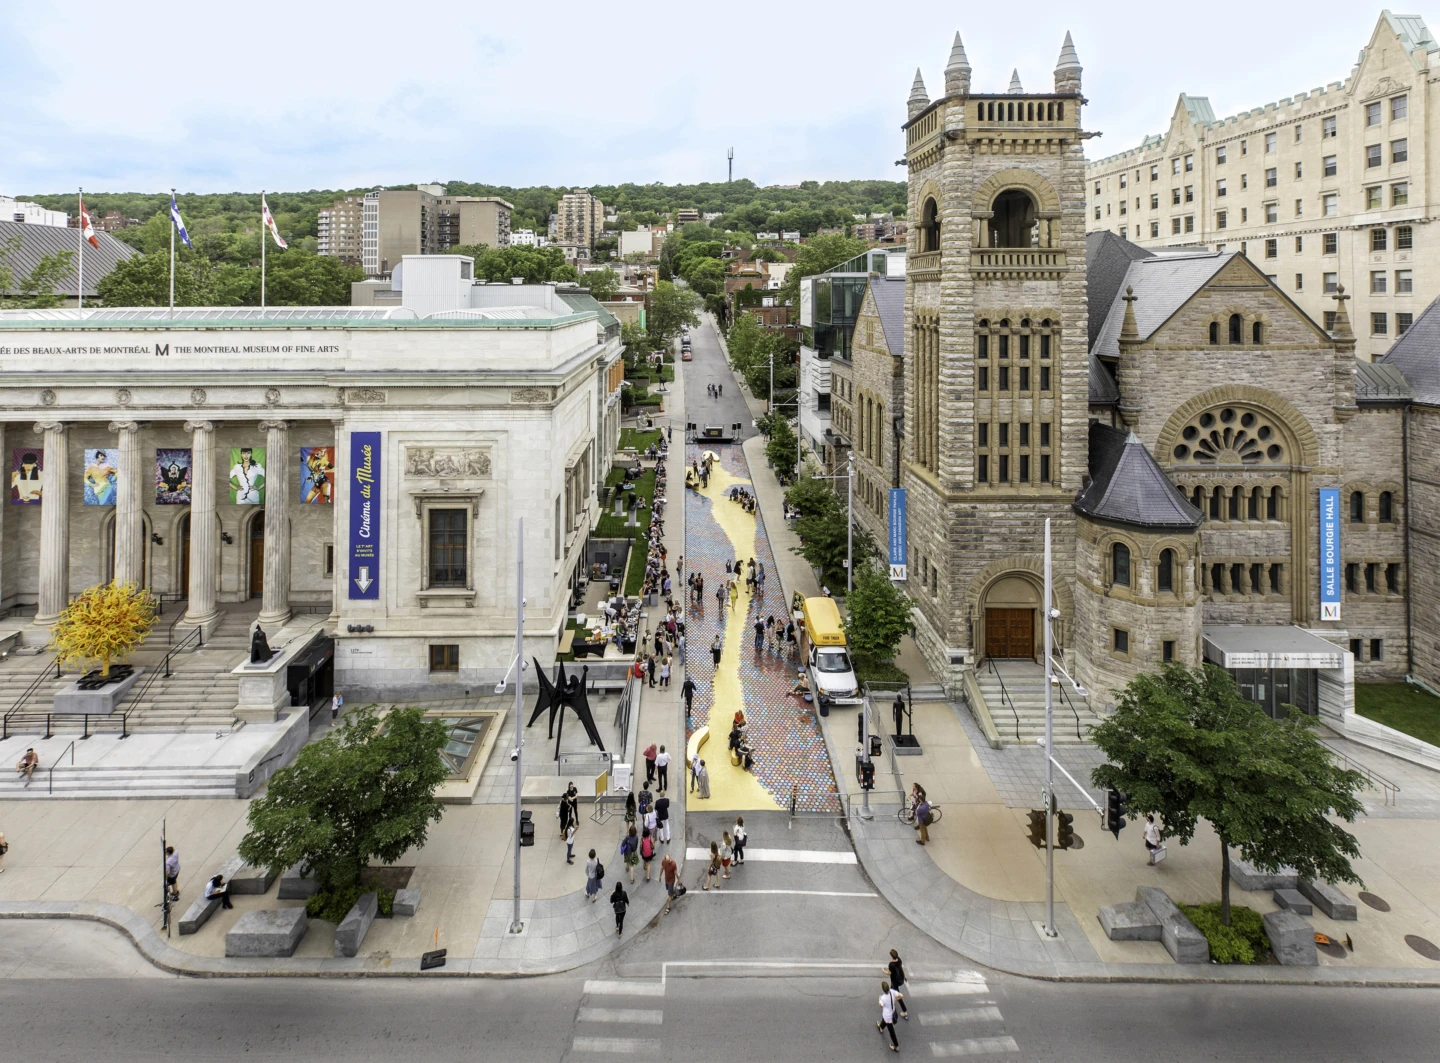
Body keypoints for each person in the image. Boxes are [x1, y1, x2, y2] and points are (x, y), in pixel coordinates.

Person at [877, 980, 902, 1051]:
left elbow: (880, 1006)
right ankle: (881, 1027)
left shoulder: (883, 998)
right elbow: (901, 995)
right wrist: (895, 999)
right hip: (892, 1012)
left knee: (891, 1032)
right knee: (884, 1021)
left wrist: (879, 1000)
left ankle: (896, 1047)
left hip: (888, 1016)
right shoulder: (892, 992)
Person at [886, 950, 910, 1020]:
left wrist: (883, 971)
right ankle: (890, 998)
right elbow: (901, 968)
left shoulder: (891, 964)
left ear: (891, 956)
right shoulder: (899, 960)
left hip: (894, 981)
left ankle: (905, 1011)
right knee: (892, 990)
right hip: (900, 979)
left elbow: (889, 973)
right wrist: (904, 976)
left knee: (898, 995)